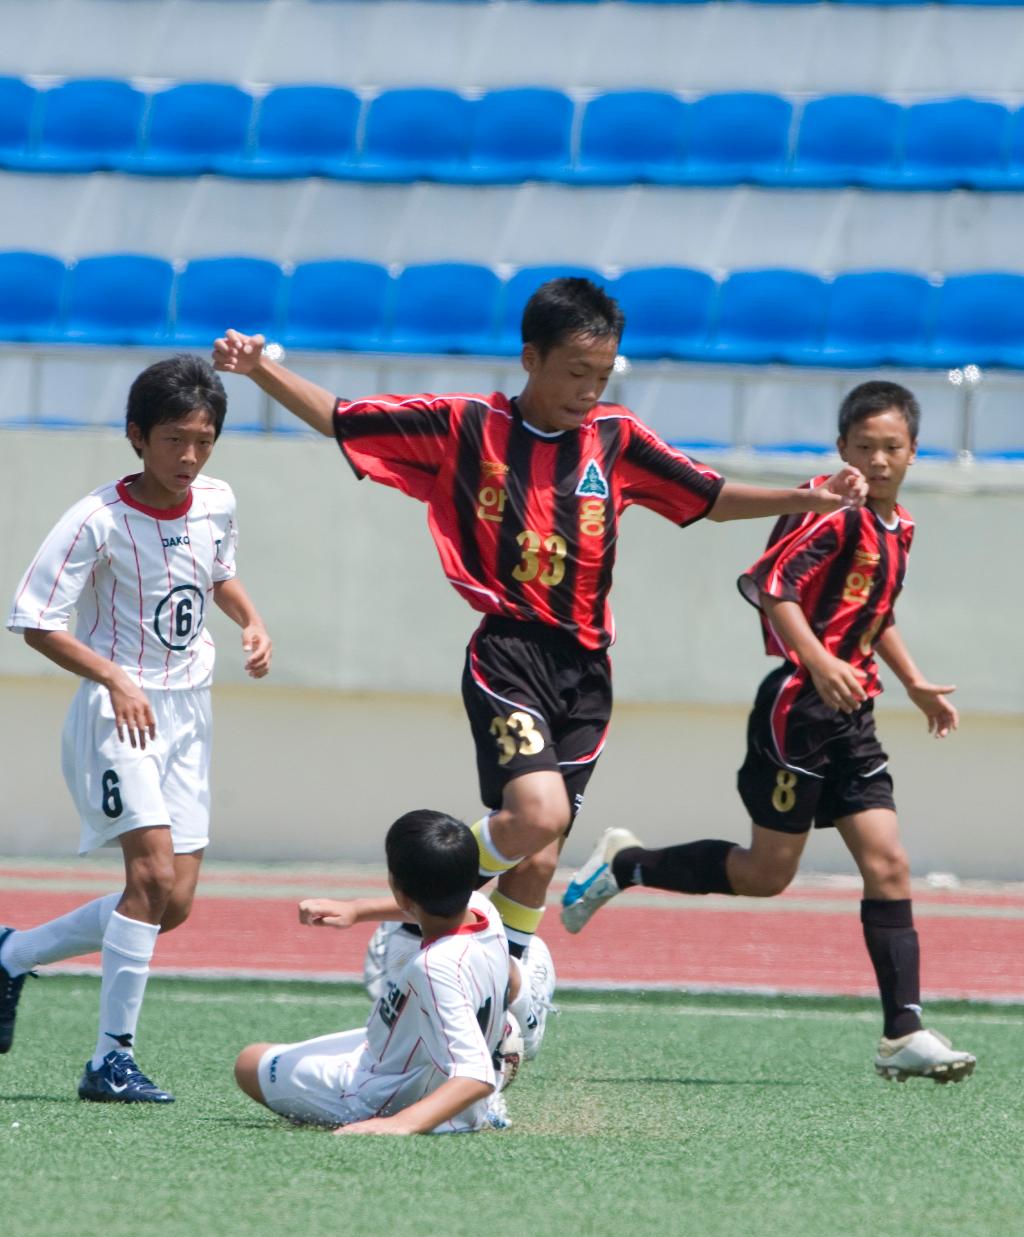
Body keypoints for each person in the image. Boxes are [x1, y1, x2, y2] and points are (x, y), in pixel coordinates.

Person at [211, 277, 865, 1017]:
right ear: (530, 358)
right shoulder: (463, 426)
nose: (589, 390)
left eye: (602, 375)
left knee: (540, 856)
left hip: (585, 672)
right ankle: (405, 915)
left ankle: (498, 1013)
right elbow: (338, 418)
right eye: (574, 372)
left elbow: (707, 496)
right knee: (540, 815)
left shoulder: (616, 438)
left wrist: (805, 498)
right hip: (509, 652)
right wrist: (260, 368)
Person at [561, 380, 975, 1084]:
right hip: (799, 710)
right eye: (865, 446)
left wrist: (911, 680)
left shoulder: (898, 525)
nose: (878, 460)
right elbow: (767, 584)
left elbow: (876, 609)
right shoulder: (834, 513)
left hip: (855, 715)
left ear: (912, 453)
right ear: (842, 446)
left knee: (889, 864)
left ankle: (902, 1033)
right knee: (765, 875)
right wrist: (815, 660)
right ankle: (626, 865)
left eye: (893, 448)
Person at [1, 354, 272, 1103]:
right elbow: (33, 622)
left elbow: (217, 574)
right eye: (175, 440)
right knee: (147, 879)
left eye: (204, 439)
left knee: (171, 903)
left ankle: (13, 953)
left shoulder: (216, 500)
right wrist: (114, 676)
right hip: (118, 709)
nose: (189, 457)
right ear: (137, 435)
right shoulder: (95, 520)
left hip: (189, 712)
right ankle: (109, 1060)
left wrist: (251, 620)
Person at [234, 809, 518, 1134]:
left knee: (249, 1063)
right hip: (403, 1055)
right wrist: (356, 910)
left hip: (385, 1094)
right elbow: (424, 907)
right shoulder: (484, 909)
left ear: (400, 890)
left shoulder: (433, 967)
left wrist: (396, 1125)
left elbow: (476, 1074)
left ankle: (457, 1109)